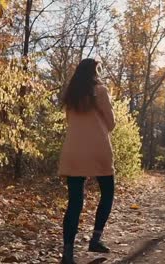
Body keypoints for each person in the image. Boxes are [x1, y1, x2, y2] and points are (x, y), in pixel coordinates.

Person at [58, 58, 116, 264]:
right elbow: (111, 123)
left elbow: (70, 123)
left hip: (73, 151)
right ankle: (96, 238)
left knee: (75, 202)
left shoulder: (71, 95)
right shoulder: (99, 90)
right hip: (97, 149)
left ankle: (67, 254)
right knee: (108, 191)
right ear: (94, 72)